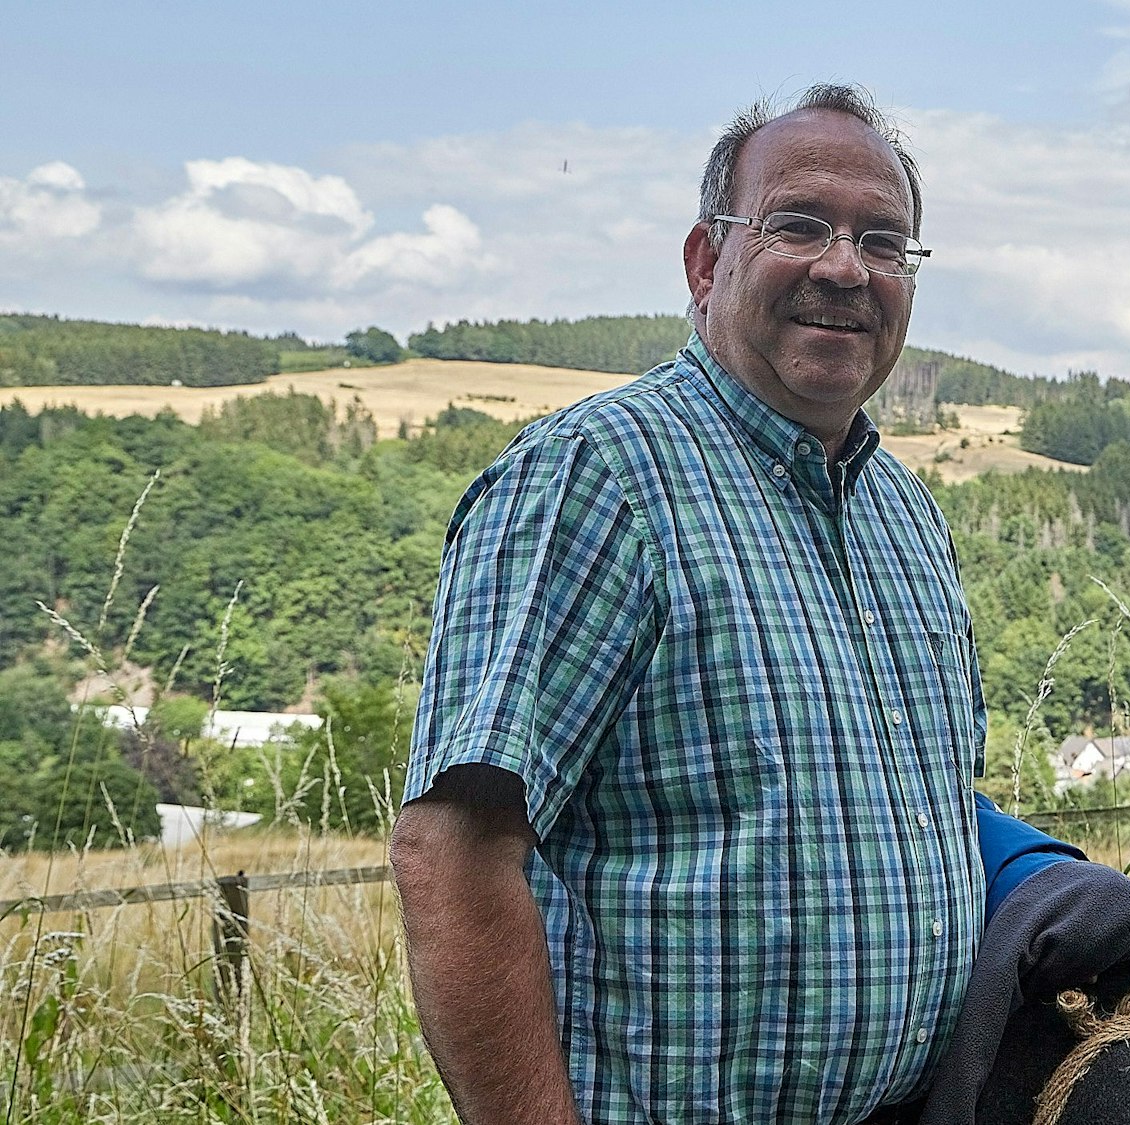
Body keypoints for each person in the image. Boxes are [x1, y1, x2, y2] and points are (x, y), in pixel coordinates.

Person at [390, 84, 1079, 1125]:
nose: (845, 268)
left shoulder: (903, 513)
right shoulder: (597, 478)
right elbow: (453, 854)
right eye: (798, 225)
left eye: (883, 242)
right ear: (705, 262)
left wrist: (1050, 884)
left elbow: (913, 803)